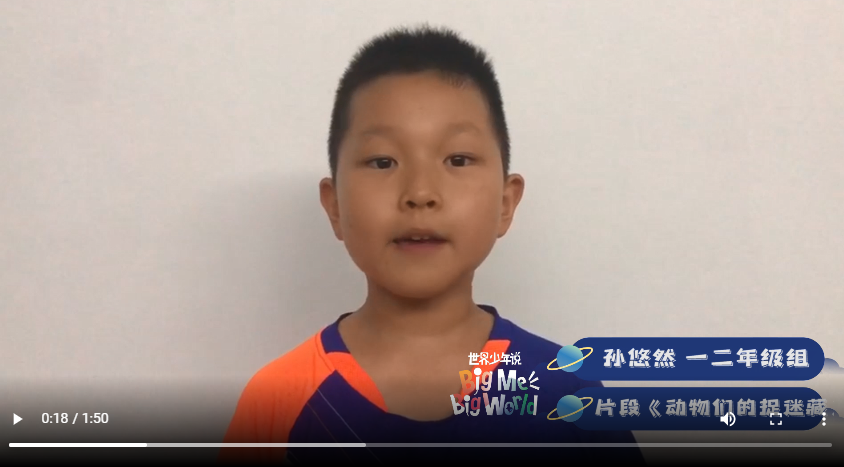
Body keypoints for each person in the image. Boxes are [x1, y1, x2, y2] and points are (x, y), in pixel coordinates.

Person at [219, 25, 644, 464]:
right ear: (335, 206)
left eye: (457, 159)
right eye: (382, 161)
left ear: (505, 203)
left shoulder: (568, 395)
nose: (420, 193)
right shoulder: (278, 404)